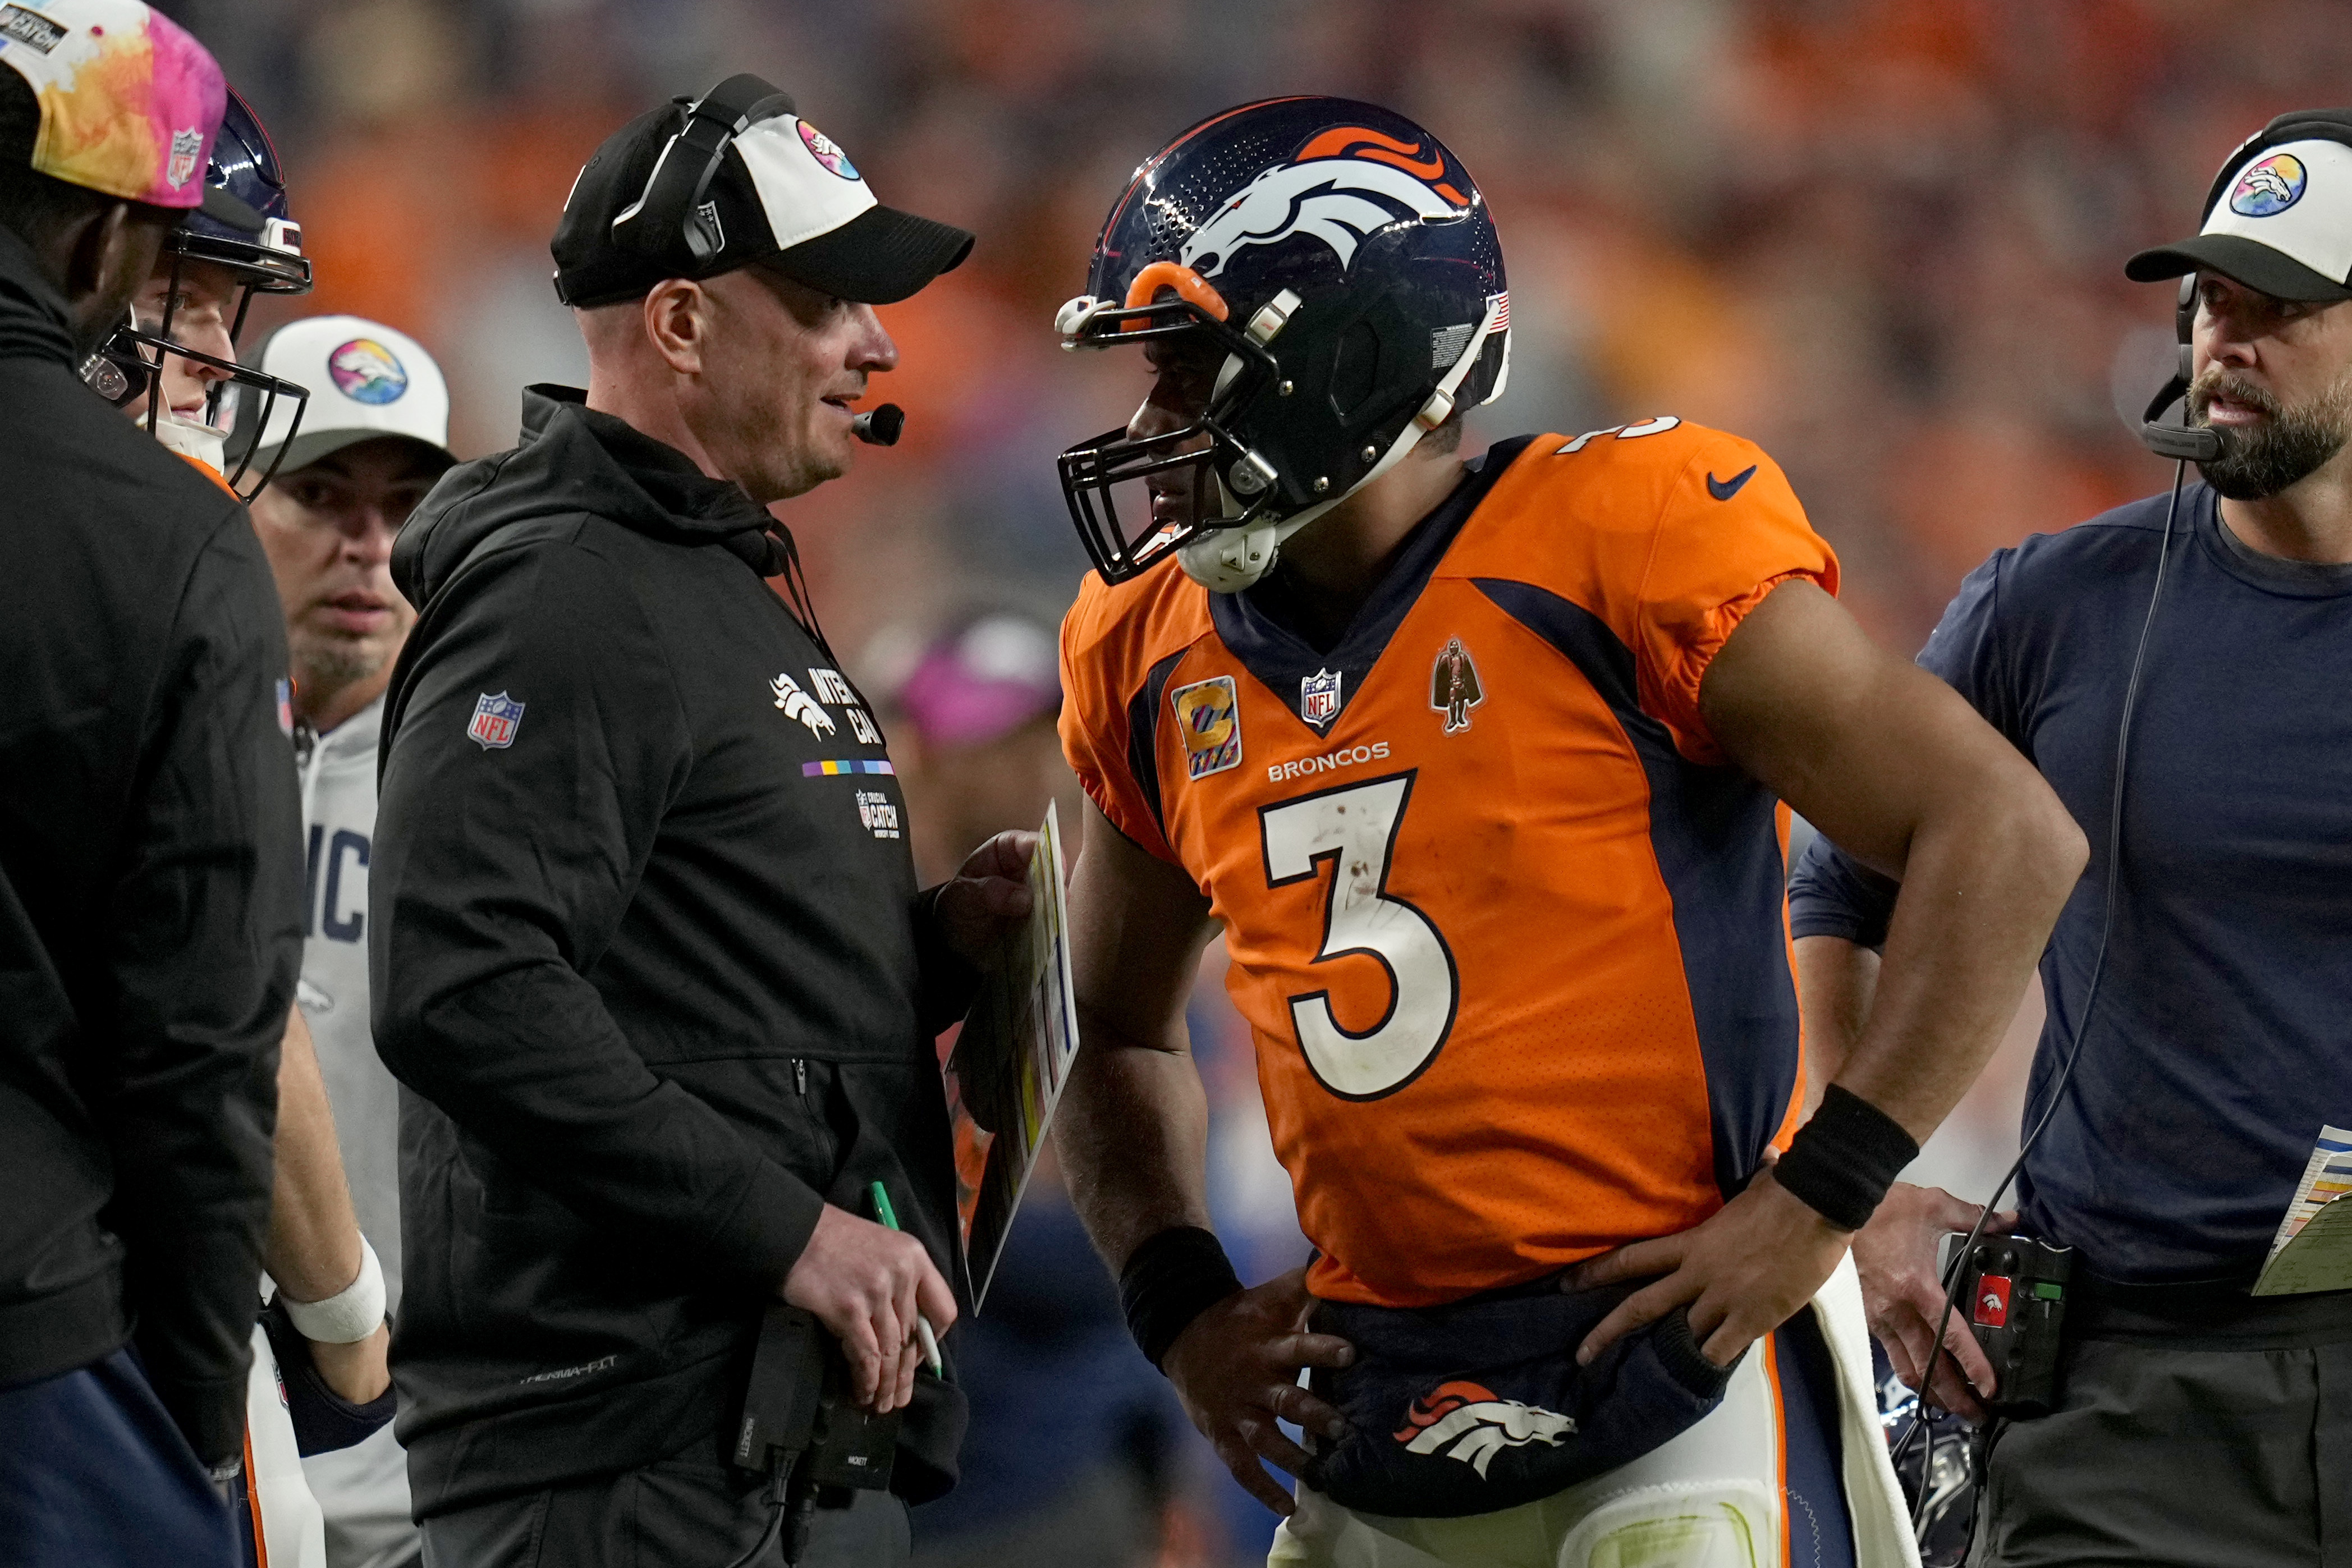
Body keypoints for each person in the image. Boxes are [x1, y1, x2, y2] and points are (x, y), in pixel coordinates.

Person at [1047, 98, 2087, 1567]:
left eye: (1195, 371)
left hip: (1682, 1371)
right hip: (1373, 1395)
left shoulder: (1616, 537)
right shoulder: (1149, 647)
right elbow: (1116, 1030)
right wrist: (1179, 1305)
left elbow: (2002, 831)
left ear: (1350, 351)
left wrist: (1819, 1198)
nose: (1156, 428)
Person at [369, 77, 1028, 1567]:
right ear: (679, 323)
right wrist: (792, 1230)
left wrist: (931, 951)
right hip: (628, 1450)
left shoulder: (708, 583)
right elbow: (461, 983)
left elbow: (698, 992)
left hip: (758, 1441)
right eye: (829, 302)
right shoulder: (568, 592)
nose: (879, 343)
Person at [1792, 110, 2352, 1567]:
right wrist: (1857, 1181)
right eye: (2211, 298)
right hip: (2127, 1398)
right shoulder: (2052, 607)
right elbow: (1832, 881)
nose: (2226, 337)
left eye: (2279, 304)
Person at [0, 8, 302, 1566]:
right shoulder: (164, 543)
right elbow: (204, 1034)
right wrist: (199, 1402)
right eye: (186, 287)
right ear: (105, 241)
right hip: (47, 1346)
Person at [235, 313, 459, 1568]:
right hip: (198, 1431)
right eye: (321, 494)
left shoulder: (489, 787)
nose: (369, 545)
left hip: (423, 1462)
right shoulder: (165, 756)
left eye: (405, 502)